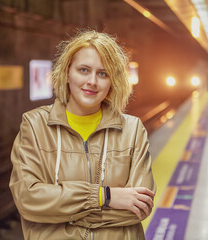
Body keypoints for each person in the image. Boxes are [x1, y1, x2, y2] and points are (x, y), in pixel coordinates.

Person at [9, 30, 156, 239]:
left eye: (103, 74)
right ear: (67, 72)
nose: (92, 81)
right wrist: (104, 196)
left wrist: (60, 212)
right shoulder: (35, 125)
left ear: (112, 81)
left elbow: (140, 207)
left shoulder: (132, 130)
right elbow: (28, 200)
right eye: (84, 70)